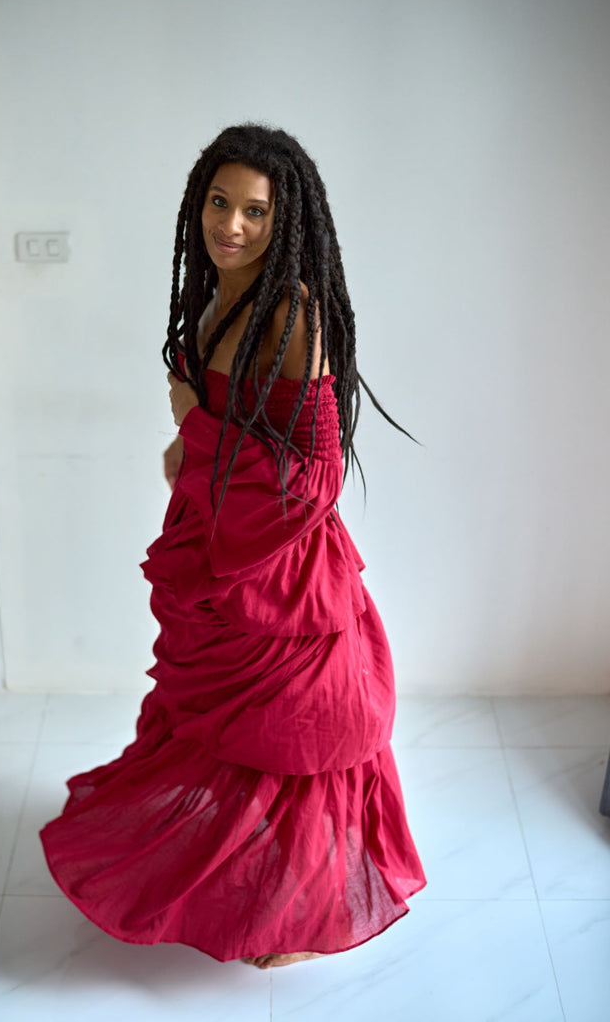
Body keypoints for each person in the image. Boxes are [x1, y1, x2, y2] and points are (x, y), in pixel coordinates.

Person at [39, 123, 427, 970]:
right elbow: (234, 422)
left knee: (286, 736)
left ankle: (294, 913)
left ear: (285, 219)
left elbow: (317, 477)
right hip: (217, 541)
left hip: (277, 570)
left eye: (256, 210)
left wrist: (194, 427)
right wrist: (193, 442)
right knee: (228, 735)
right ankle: (241, 885)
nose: (233, 225)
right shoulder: (217, 292)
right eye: (221, 202)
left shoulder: (290, 311)